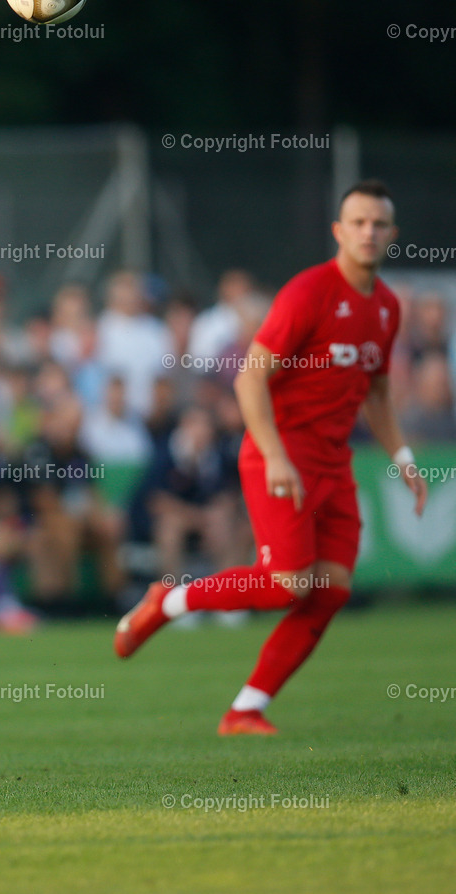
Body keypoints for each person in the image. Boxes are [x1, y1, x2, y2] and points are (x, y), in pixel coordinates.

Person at [114, 181, 428, 734]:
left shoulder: (386, 307)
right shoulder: (310, 292)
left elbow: (376, 392)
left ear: (392, 234)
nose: (368, 233)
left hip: (333, 463)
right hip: (277, 453)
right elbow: (249, 378)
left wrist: (401, 455)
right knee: (286, 583)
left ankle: (245, 709)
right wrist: (278, 455)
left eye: (378, 224)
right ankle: (169, 600)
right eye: (357, 222)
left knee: (329, 590)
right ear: (338, 230)